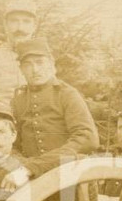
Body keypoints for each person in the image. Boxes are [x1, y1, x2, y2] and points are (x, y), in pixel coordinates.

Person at [7, 37, 100, 185]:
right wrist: (23, 166)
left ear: (51, 63)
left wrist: (35, 166)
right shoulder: (18, 99)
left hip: (69, 177)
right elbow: (11, 144)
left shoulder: (66, 94)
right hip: (31, 180)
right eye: (28, 65)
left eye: (40, 62)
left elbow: (87, 138)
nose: (35, 70)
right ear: (21, 70)